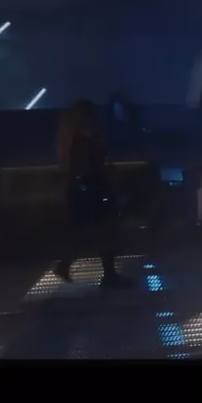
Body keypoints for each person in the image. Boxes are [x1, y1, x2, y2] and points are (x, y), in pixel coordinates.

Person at [54, 99, 130, 288]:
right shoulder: (84, 142)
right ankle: (107, 276)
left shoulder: (73, 141)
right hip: (93, 191)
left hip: (85, 192)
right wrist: (107, 175)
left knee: (92, 234)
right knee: (104, 232)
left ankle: (69, 265)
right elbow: (90, 167)